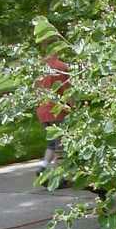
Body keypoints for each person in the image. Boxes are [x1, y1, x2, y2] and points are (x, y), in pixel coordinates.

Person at [35, 51, 70, 182]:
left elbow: (36, 90)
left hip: (43, 111)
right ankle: (59, 178)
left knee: (52, 143)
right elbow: (67, 90)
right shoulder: (61, 67)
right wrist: (73, 106)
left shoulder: (40, 68)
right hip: (57, 111)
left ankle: (42, 167)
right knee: (61, 146)